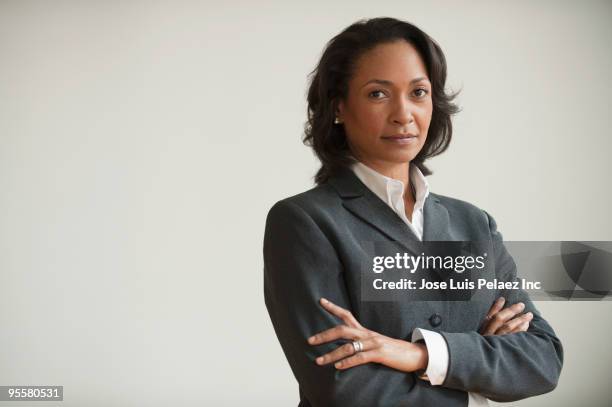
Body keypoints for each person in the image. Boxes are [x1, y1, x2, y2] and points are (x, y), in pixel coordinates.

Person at [263, 17, 563, 407]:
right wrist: (475, 380)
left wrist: (420, 354)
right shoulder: (305, 222)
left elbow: (542, 360)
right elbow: (343, 389)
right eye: (377, 94)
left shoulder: (475, 223)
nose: (403, 114)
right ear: (338, 107)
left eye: (418, 92)